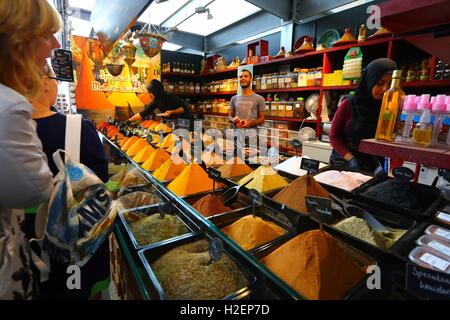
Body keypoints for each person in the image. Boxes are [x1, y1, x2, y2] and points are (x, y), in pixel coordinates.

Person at [30, 63, 110, 300]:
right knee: (78, 290)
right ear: (43, 81)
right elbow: (100, 179)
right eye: (53, 77)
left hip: (26, 245)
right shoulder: (77, 128)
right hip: (75, 239)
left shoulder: (8, 132)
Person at [0, 0, 61, 300]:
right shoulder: (9, 107)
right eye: (47, 33)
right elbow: (37, 187)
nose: (55, 44)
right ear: (18, 40)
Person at [329, 58, 397, 173]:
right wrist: (351, 159)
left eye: (390, 84)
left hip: (372, 166)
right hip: (344, 162)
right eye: (380, 83)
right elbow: (334, 136)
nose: (385, 89)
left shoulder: (390, 107)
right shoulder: (349, 104)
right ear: (369, 81)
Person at [128, 79, 194, 130]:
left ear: (156, 91)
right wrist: (128, 122)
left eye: (150, 92)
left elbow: (182, 109)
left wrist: (171, 112)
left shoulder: (170, 96)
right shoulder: (156, 101)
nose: (149, 95)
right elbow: (143, 113)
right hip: (177, 122)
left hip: (187, 120)